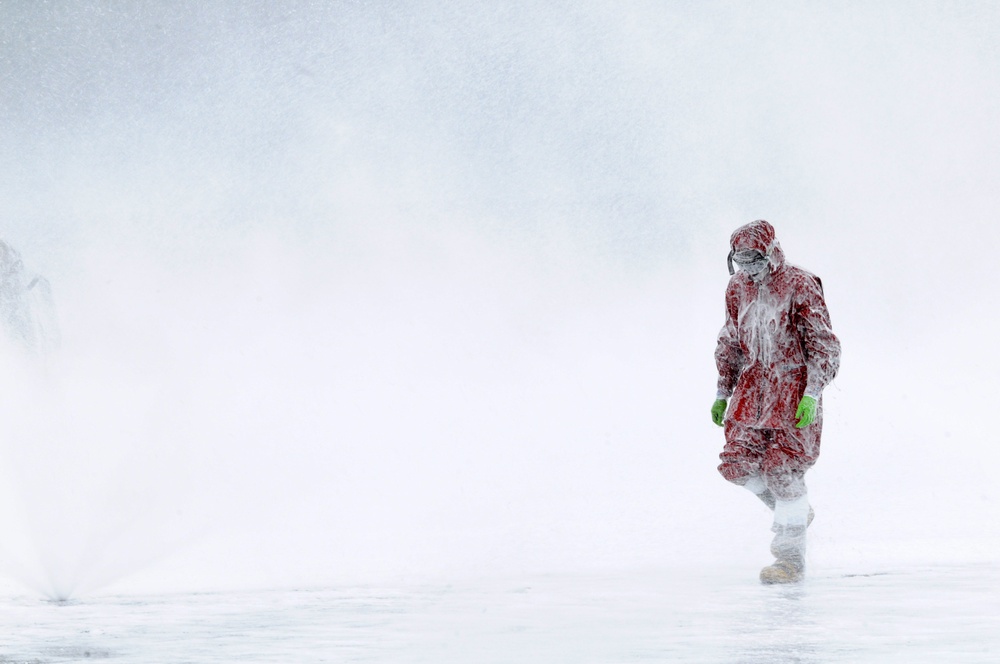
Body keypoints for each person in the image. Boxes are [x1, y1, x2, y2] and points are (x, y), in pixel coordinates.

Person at [711, 220, 840, 584]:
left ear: (770, 253)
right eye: (740, 261)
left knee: (782, 471)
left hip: (792, 389)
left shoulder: (799, 284)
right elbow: (730, 340)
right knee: (737, 464)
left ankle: (789, 561)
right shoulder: (737, 288)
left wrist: (812, 393)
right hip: (752, 389)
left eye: (754, 259)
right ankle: (794, 509)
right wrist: (723, 390)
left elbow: (823, 344)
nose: (748, 267)